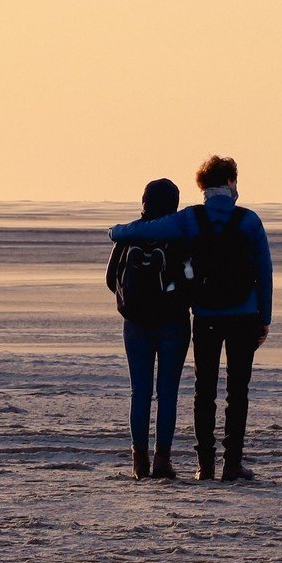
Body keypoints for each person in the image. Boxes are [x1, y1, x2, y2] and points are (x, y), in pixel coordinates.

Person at [109, 155, 273, 481]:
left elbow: (145, 231)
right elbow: (265, 272)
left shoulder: (190, 219)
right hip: (241, 315)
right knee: (237, 391)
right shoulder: (250, 220)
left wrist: (115, 231)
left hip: (205, 315)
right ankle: (231, 464)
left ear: (202, 186)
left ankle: (203, 466)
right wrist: (264, 318)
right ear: (230, 183)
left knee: (202, 392)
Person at [106, 178, 192, 480]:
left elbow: (110, 278)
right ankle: (162, 460)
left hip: (135, 324)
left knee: (139, 391)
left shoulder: (130, 234)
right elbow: (189, 277)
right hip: (174, 323)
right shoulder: (179, 235)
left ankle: (138, 461)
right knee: (167, 393)